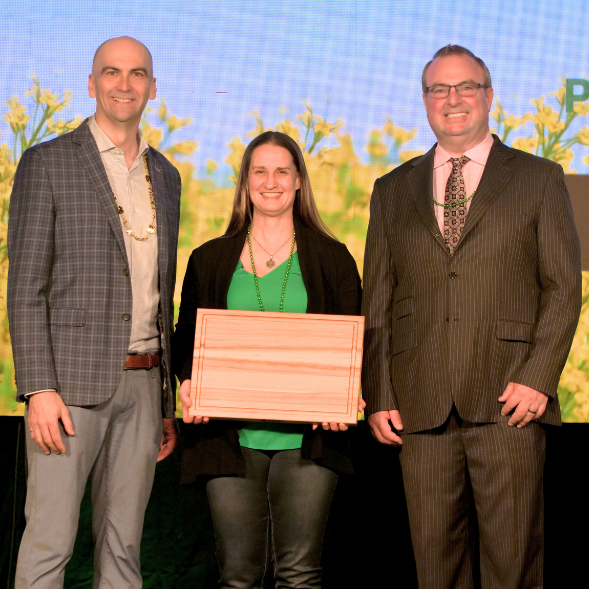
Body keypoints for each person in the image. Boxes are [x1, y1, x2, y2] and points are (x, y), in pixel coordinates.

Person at [362, 45, 581, 588]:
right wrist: (381, 392)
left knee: (512, 566)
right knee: (436, 568)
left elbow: (563, 288)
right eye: (440, 89)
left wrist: (537, 379)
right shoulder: (391, 190)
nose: (452, 99)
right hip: (421, 407)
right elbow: (379, 302)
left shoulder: (539, 177)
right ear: (425, 101)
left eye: (465, 87)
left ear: (489, 96)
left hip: (510, 403)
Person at [8, 37, 181, 588]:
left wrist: (166, 404)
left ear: (152, 88)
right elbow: (24, 287)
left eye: (137, 74)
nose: (124, 84)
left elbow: (161, 294)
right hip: (68, 393)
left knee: (124, 550)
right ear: (91, 84)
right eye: (111, 72)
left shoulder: (168, 177)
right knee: (49, 545)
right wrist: (38, 388)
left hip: (144, 387)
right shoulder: (49, 162)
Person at [173, 131, 363, 588]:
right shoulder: (209, 259)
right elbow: (186, 344)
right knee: (237, 576)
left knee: (300, 573)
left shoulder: (334, 259)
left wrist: (344, 397)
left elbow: (354, 346)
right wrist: (187, 383)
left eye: (282, 171)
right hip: (229, 438)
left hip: (309, 441)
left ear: (299, 181)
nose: (271, 181)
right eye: (260, 170)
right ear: (245, 182)